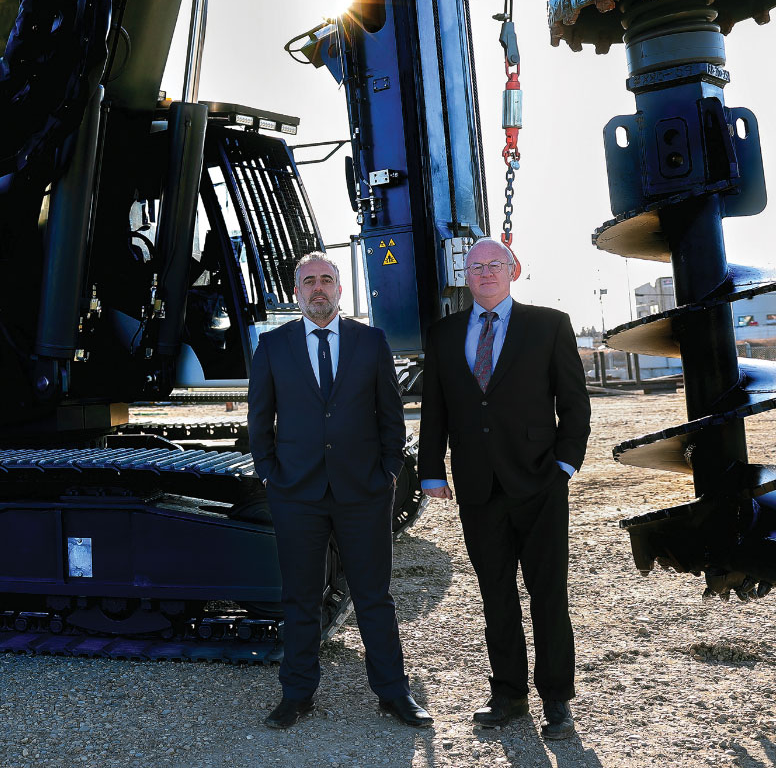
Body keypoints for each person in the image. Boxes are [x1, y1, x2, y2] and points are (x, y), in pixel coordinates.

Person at [248, 252, 432, 730]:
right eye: (308, 282)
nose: (317, 289)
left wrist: (388, 470)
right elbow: (259, 419)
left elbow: (392, 417)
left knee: (374, 597)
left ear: (340, 289)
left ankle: (394, 695)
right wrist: (270, 472)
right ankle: (296, 696)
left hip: (363, 493)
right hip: (296, 493)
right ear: (296, 292)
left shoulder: (370, 342)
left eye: (326, 280)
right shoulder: (273, 346)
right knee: (301, 597)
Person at [417, 238, 590, 740]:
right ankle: (509, 693)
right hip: (477, 486)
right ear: (464, 277)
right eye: (476, 267)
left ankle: (556, 699)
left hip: (539, 481)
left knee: (547, 594)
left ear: (514, 270)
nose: (485, 273)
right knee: (495, 594)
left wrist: (564, 465)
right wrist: (432, 469)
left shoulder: (549, 324)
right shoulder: (444, 333)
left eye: (495, 265)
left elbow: (574, 404)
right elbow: (436, 409)